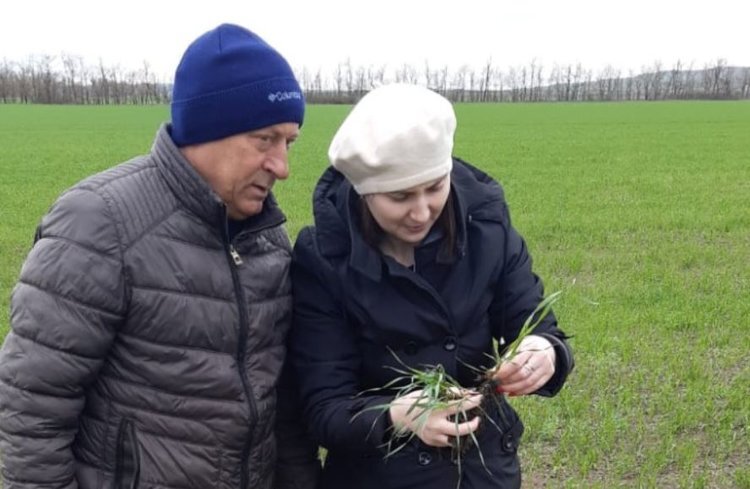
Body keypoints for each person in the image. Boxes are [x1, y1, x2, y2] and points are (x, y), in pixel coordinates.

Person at [0, 23, 319, 489]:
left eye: (289, 143)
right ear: (207, 130)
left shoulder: (267, 239)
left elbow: (280, 409)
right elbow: (33, 410)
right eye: (265, 139)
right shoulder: (99, 224)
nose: (283, 167)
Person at [288, 83, 574, 489]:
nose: (421, 212)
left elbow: (541, 329)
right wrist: (397, 417)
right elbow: (324, 409)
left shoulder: (488, 232)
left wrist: (544, 353)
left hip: (483, 470)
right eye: (400, 196)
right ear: (365, 193)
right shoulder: (324, 260)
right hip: (380, 478)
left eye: (435, 187)